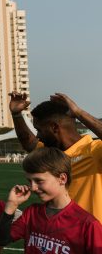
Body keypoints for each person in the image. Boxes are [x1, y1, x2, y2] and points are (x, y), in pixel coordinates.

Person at [0, 147, 102, 254]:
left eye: (39, 181)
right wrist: (11, 205)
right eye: (29, 181)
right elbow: (1, 240)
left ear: (62, 178)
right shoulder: (31, 213)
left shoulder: (87, 224)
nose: (33, 187)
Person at [9, 91, 102, 221]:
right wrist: (16, 114)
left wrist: (79, 113)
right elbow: (28, 142)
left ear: (54, 127)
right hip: (60, 235)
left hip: (91, 236)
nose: (38, 136)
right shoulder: (52, 153)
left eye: (39, 130)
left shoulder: (94, 151)